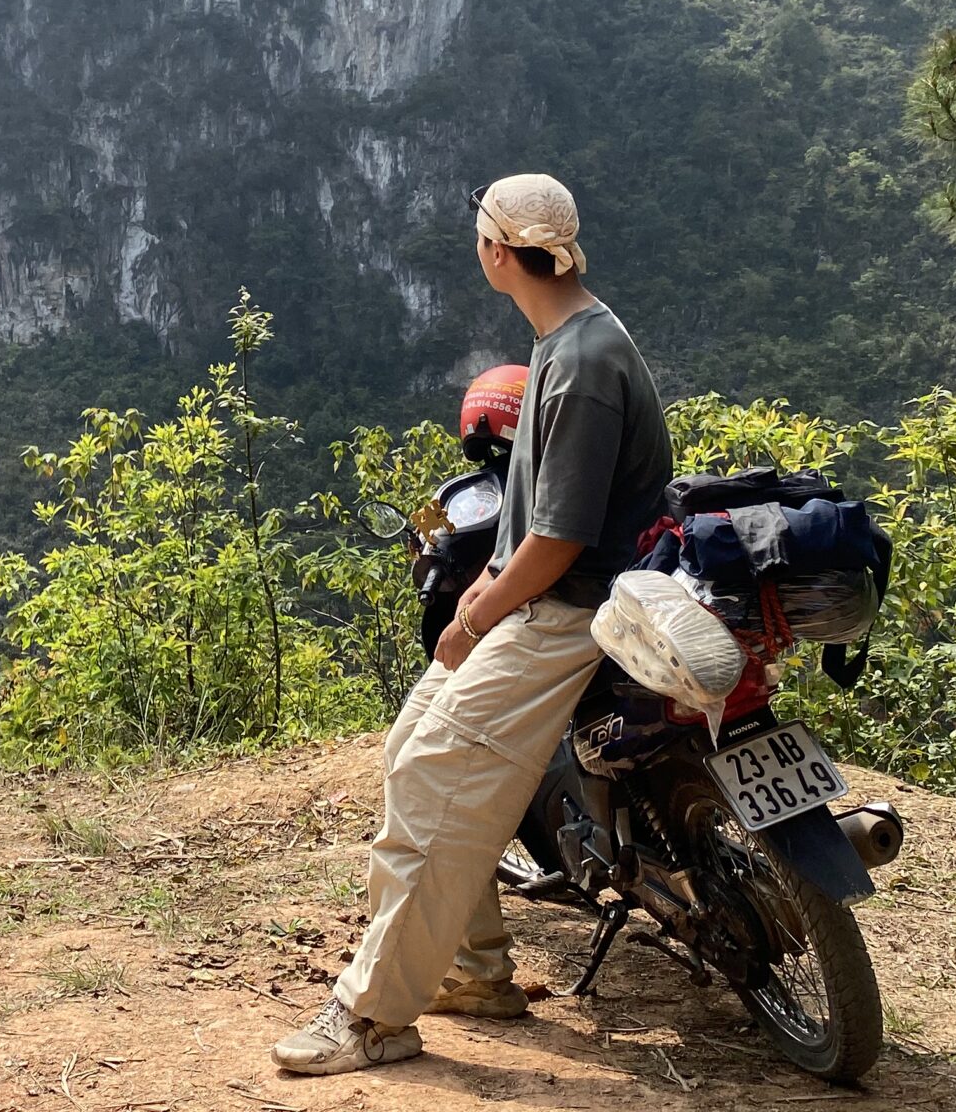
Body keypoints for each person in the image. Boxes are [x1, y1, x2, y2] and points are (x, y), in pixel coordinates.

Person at [273, 173, 675, 1076]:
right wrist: (482, 588)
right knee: (408, 743)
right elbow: (533, 521)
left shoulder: (577, 365)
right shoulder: (565, 340)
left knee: (436, 773)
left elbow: (563, 540)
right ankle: (470, 967)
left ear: (498, 252)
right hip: (539, 595)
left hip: (576, 613)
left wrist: (480, 613)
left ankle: (373, 1016)